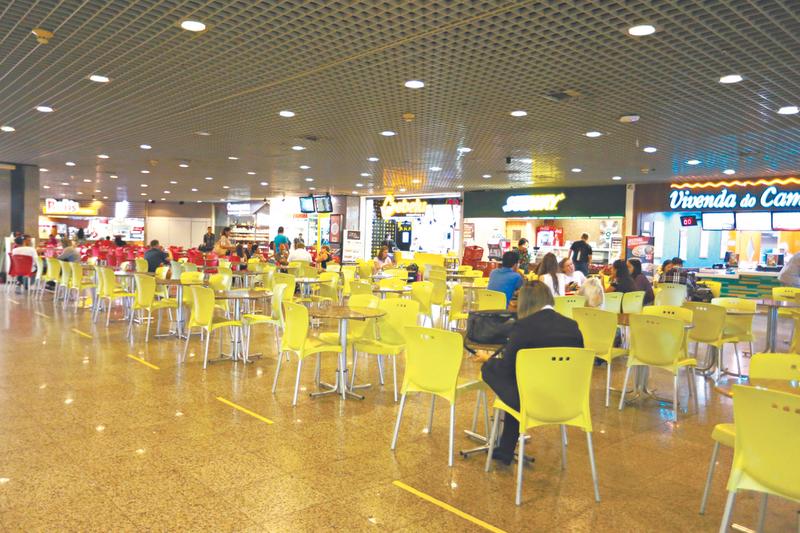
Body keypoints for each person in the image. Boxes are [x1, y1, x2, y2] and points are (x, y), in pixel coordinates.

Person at [481, 281, 584, 464]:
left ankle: (506, 447)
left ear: (525, 302)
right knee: (518, 381)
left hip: (531, 400)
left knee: (492, 370)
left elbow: (507, 367)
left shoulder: (523, 327)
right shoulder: (572, 326)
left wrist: (488, 360)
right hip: (568, 401)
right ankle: (505, 447)